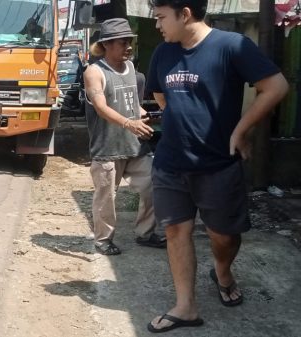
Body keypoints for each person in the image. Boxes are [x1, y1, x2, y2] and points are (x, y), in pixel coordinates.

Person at [145, 0, 288, 333]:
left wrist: (240, 130)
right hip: (170, 162)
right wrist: (180, 119)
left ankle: (222, 272)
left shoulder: (231, 46)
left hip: (217, 164)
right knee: (175, 231)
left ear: (185, 13)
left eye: (161, 17)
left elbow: (276, 86)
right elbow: (159, 92)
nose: (157, 25)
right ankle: (186, 307)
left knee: (222, 235)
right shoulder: (163, 52)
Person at [83, 18, 167, 256]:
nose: (129, 47)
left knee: (154, 185)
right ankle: (103, 240)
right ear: (107, 44)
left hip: (135, 146)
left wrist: (148, 115)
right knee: (106, 199)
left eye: (130, 41)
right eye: (123, 42)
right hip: (107, 148)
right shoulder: (95, 72)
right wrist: (130, 123)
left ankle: (146, 233)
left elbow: (132, 105)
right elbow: (100, 106)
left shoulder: (132, 70)